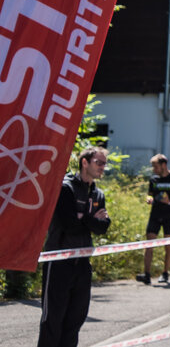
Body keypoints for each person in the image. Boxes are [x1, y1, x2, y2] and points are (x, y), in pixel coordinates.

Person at [38, 146, 110, 347]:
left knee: (75, 319)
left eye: (104, 163)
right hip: (59, 261)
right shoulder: (65, 187)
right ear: (84, 162)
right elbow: (69, 225)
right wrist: (91, 219)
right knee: (53, 320)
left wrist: (83, 218)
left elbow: (103, 227)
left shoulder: (98, 193)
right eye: (99, 162)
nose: (103, 167)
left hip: (83, 263)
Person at [138, 153, 170, 285]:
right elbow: (150, 195)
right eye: (153, 167)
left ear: (164, 165)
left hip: (169, 216)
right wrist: (149, 199)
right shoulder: (153, 179)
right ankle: (147, 274)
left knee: (167, 246)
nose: (154, 169)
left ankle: (165, 273)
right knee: (149, 244)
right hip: (155, 215)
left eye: (156, 166)